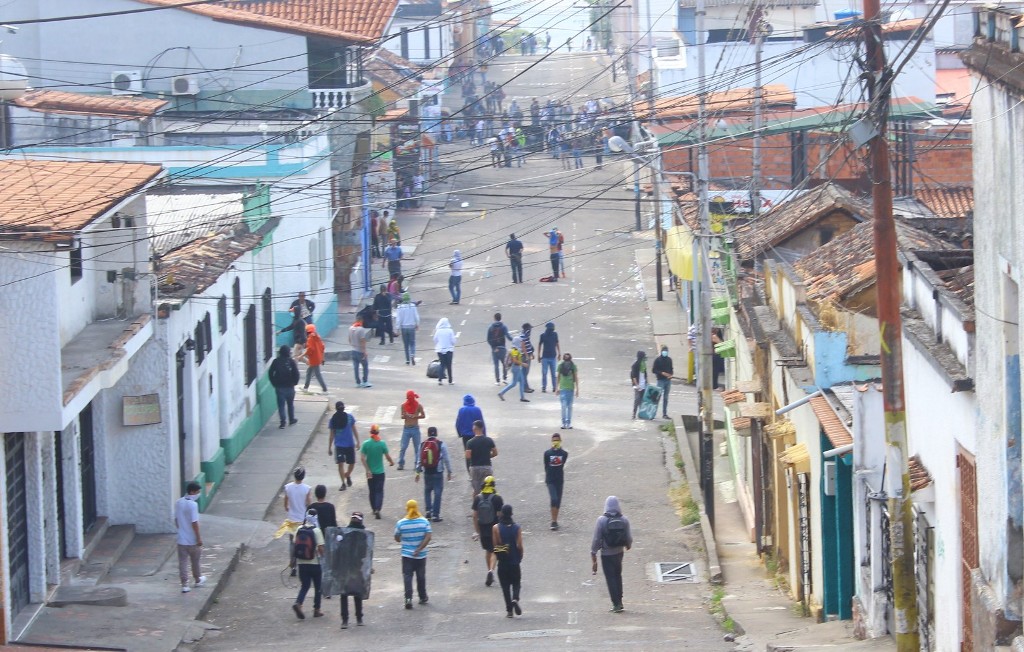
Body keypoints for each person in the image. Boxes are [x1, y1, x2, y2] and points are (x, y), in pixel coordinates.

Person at [591, 496, 633, 613]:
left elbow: (596, 539)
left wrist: (593, 553)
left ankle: (616, 604)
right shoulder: (624, 519)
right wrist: (628, 545)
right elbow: (629, 537)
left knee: (610, 578)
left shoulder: (601, 520)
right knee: (618, 575)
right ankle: (620, 601)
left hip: (606, 554)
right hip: (619, 552)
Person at [275, 466, 313, 575]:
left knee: (292, 543)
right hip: (302, 520)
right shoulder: (307, 489)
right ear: (303, 476)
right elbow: (309, 504)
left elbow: (286, 503)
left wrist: (287, 507)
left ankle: (293, 565)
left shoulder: (288, 487)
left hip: (291, 520)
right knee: (303, 542)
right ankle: (303, 563)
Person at [395, 499, 432, 609]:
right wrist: (419, 548)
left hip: (406, 555)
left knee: (407, 576)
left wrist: (403, 538)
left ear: (407, 508)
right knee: (421, 576)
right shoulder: (424, 522)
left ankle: (408, 599)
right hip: (421, 555)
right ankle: (422, 596)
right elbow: (428, 537)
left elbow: (397, 538)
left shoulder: (401, 523)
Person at [292, 508, 325, 619]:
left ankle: (299, 603)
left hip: (302, 563)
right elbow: (320, 548)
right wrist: (324, 558)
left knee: (305, 586)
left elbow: (295, 545)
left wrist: (293, 562)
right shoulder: (316, 531)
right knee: (318, 587)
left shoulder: (299, 529)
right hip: (315, 563)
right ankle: (316, 610)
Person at [472, 476, 505, 587]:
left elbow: (474, 516)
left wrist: (477, 530)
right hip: (494, 528)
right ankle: (491, 570)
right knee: (495, 551)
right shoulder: (497, 498)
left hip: (483, 528)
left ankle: (489, 571)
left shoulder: (478, 498)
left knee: (487, 550)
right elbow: (500, 515)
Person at [415, 426, 453, 522]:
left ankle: (428, 511)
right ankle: (435, 515)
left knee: (427, 491)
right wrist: (449, 471)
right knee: (437, 493)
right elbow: (446, 459)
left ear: (428, 434)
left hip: (427, 471)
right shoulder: (441, 444)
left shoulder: (423, 444)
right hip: (438, 472)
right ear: (436, 433)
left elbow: (419, 459)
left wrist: (418, 472)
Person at [492, 504, 524, 617]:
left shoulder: (496, 528)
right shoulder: (517, 528)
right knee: (516, 583)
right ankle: (515, 598)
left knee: (505, 587)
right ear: (511, 514)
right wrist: (520, 556)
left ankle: (509, 611)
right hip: (514, 561)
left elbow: (495, 545)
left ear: (501, 513)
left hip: (503, 562)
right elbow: (519, 545)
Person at [338, 511, 369, 627]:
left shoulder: (344, 533)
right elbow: (365, 553)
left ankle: (345, 620)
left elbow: (338, 550)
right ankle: (359, 618)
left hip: (346, 568)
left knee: (344, 594)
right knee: (357, 593)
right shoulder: (363, 535)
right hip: (357, 568)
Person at [175, 481, 206, 593]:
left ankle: (184, 584)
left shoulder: (178, 502)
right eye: (197, 492)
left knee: (183, 562)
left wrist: (180, 531)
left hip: (181, 540)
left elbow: (176, 520)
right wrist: (198, 538)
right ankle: (197, 579)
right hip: (192, 540)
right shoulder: (193, 505)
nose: (198, 494)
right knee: (195, 561)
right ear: (192, 491)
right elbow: (194, 523)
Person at [360, 425, 394, 519]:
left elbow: (362, 458)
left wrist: (368, 470)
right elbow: (387, 456)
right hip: (380, 472)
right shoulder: (382, 443)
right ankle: (378, 509)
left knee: (372, 491)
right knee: (379, 491)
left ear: (370, 432)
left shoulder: (366, 444)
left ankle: (373, 508)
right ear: (378, 432)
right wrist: (391, 462)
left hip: (370, 473)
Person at [328, 401, 360, 491]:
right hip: (339, 445)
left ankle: (347, 474)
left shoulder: (349, 418)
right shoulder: (333, 420)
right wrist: (330, 447)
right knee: (340, 464)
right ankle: (343, 483)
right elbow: (332, 435)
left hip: (349, 444)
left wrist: (358, 441)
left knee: (351, 464)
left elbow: (354, 429)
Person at [269, 345, 300, 429]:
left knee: (281, 406)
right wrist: (295, 382)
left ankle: (283, 422)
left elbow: (270, 373)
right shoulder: (291, 362)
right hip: (290, 386)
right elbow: (296, 373)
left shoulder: (276, 361)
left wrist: (274, 383)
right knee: (290, 404)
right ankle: (291, 419)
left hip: (279, 387)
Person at [543, 434, 569, 529]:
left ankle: (555, 520)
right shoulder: (547, 453)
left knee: (558, 501)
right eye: (554, 440)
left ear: (560, 441)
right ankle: (553, 521)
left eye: (557, 440)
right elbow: (546, 465)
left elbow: (562, 464)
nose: (555, 442)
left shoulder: (564, 454)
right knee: (553, 498)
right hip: (550, 480)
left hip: (559, 480)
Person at [465, 420, 498, 494]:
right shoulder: (489, 440)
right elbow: (495, 453)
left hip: (475, 467)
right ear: (482, 428)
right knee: (488, 489)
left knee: (476, 491)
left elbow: (468, 456)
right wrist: (487, 456)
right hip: (487, 466)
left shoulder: (470, 442)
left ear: (474, 428)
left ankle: (476, 504)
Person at [455, 395, 485, 470]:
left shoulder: (461, 410)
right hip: (477, 434)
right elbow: (481, 422)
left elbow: (458, 423)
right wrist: (484, 434)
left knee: (468, 453)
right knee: (478, 452)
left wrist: (459, 433)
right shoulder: (477, 409)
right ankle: (478, 468)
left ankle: (470, 471)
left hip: (465, 435)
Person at [398, 390, 425, 471]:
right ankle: (401, 463)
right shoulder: (403, 405)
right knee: (403, 447)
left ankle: (417, 464)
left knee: (417, 448)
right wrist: (405, 416)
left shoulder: (418, 406)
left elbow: (423, 415)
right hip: (406, 428)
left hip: (415, 428)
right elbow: (402, 416)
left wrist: (415, 417)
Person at [486, 313, 513, 384]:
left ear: (494, 318)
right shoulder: (503, 326)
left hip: (494, 349)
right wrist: (514, 339)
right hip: (502, 348)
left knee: (496, 365)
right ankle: (505, 378)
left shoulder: (491, 327)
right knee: (504, 363)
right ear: (500, 318)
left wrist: (493, 347)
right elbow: (508, 337)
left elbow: (488, 339)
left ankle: (497, 380)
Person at [300, 324, 327, 393]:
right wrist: (322, 358)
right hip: (318, 358)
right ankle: (306, 388)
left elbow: (310, 349)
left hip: (313, 359)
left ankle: (324, 389)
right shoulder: (317, 337)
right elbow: (322, 347)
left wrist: (302, 355)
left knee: (317, 374)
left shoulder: (310, 339)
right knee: (309, 372)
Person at [394, 292, 420, 365]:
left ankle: (407, 360)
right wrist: (417, 324)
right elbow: (416, 316)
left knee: (406, 344)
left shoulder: (400, 307)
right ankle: (412, 355)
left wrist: (397, 329)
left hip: (404, 328)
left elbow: (398, 319)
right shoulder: (413, 306)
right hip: (411, 327)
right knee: (412, 342)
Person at [348, 317, 372, 388]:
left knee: (356, 367)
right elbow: (362, 341)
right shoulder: (361, 329)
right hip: (360, 351)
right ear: (361, 321)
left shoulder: (350, 328)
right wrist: (365, 351)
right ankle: (365, 381)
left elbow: (349, 339)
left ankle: (358, 382)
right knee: (365, 366)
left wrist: (353, 345)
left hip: (353, 350)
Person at [432, 317, 457, 385]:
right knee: (449, 365)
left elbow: (435, 340)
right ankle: (450, 380)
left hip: (440, 350)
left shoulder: (438, 331)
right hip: (449, 350)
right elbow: (453, 341)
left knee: (442, 364)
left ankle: (440, 380)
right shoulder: (450, 331)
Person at [557, 353, 579, 429]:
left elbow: (576, 377)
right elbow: (558, 376)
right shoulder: (561, 365)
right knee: (564, 406)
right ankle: (564, 423)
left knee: (568, 406)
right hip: (564, 388)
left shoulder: (573, 366)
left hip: (570, 388)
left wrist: (577, 389)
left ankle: (568, 422)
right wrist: (557, 388)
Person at [652, 344, 674, 419]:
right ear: (661, 352)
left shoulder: (669, 360)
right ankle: (653, 413)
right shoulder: (658, 360)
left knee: (666, 398)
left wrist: (671, 375)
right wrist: (662, 373)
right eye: (664, 351)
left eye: (666, 351)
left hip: (668, 380)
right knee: (657, 397)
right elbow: (654, 370)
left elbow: (671, 369)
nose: (665, 353)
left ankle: (664, 414)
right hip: (660, 380)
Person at [537, 322, 561, 392]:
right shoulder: (543, 336)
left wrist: (559, 353)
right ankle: (544, 387)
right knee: (545, 373)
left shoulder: (555, 335)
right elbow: (539, 345)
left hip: (552, 357)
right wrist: (538, 355)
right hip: (545, 357)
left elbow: (557, 343)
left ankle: (554, 387)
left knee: (552, 373)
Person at [516, 324, 536, 393]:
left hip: (527, 355)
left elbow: (529, 345)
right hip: (524, 356)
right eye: (530, 329)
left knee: (525, 372)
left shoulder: (526, 336)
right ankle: (525, 387)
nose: (530, 331)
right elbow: (523, 346)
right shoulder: (523, 336)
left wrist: (532, 353)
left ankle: (526, 387)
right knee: (525, 372)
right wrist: (527, 355)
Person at [630, 350, 648, 419]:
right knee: (637, 399)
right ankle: (634, 413)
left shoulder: (643, 365)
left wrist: (647, 383)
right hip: (637, 385)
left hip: (643, 385)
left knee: (642, 400)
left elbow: (645, 375)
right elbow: (633, 376)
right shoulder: (635, 365)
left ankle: (641, 413)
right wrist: (637, 385)